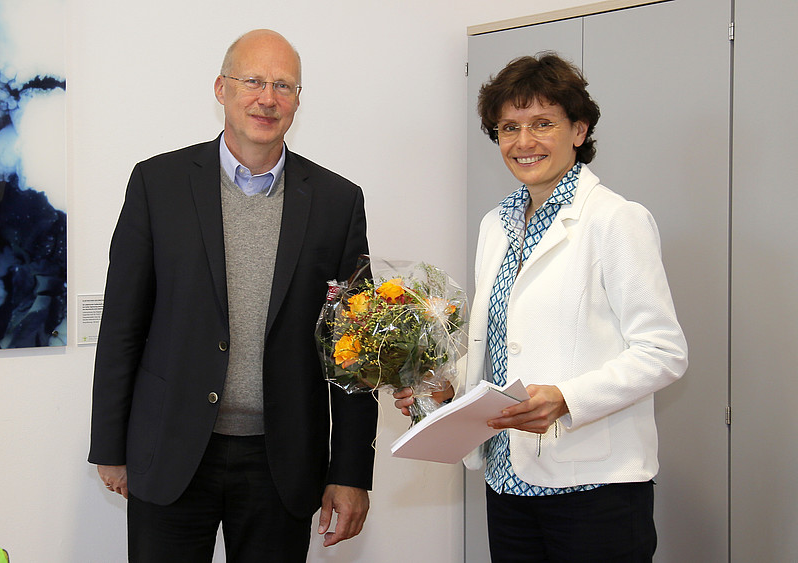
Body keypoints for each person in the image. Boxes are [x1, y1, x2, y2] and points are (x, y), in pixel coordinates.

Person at [88, 29, 378, 562]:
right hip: (170, 450)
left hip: (282, 462)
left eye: (283, 86)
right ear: (221, 88)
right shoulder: (158, 184)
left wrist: (351, 471)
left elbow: (356, 349)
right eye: (253, 81)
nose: (267, 98)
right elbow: (123, 323)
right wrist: (109, 445)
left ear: (297, 101)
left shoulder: (338, 202)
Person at [395, 52, 687, 561]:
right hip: (507, 480)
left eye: (542, 123)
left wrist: (567, 398)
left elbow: (663, 351)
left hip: (592, 489)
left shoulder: (616, 221)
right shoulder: (496, 224)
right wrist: (447, 392)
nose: (523, 142)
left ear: (579, 130)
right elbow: (501, 343)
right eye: (509, 127)